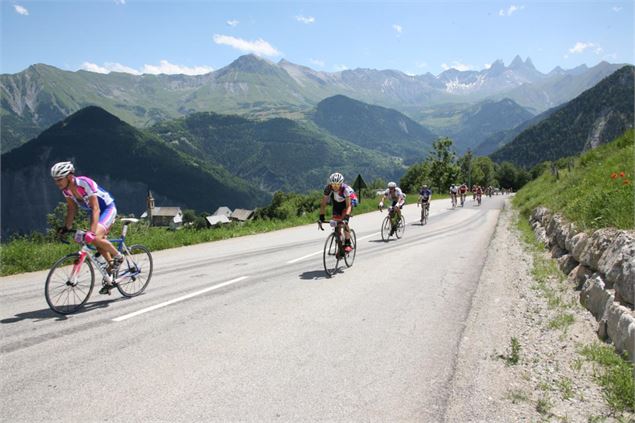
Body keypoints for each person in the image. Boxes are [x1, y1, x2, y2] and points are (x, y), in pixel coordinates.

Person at [50, 161, 123, 294]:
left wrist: (92, 232)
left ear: (70, 176)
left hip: (106, 209)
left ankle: (118, 256)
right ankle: (111, 272)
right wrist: (66, 227)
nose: (57, 183)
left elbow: (96, 208)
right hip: (95, 212)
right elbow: (72, 208)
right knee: (95, 241)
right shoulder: (66, 190)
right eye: (55, 180)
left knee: (94, 237)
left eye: (60, 179)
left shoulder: (84, 183)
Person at [319, 172, 353, 253]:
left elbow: (349, 206)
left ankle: (348, 243)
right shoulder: (328, 189)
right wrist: (321, 217)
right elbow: (323, 204)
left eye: (337, 185)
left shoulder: (345, 189)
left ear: (341, 184)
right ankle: (340, 244)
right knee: (336, 224)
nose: (335, 187)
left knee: (344, 223)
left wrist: (346, 217)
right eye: (333, 184)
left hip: (346, 204)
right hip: (337, 204)